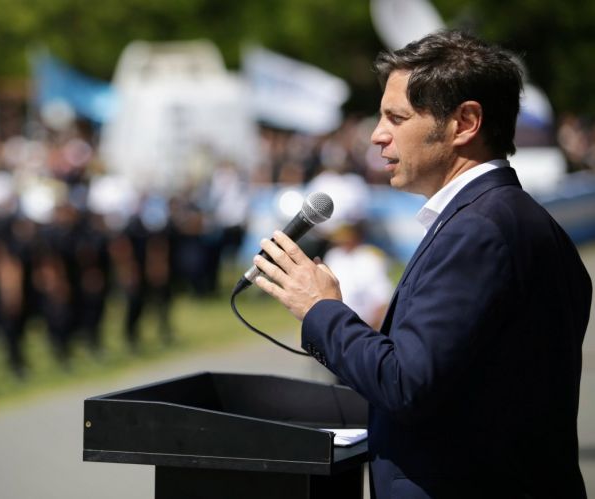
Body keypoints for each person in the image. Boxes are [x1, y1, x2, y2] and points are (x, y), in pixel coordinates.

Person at [251, 30, 591, 498]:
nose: (377, 135)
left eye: (397, 117)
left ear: (465, 122)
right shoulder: (503, 218)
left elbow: (405, 383)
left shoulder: (481, 229)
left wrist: (321, 309)